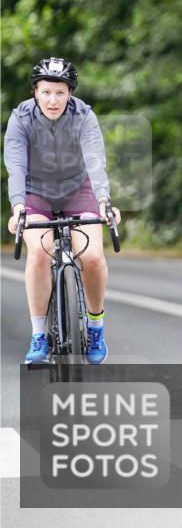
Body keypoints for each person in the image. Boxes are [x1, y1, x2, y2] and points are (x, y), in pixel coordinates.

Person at [4, 57, 121, 364]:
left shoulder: (84, 116)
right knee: (40, 253)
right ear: (35, 92)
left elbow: (95, 161)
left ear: (70, 93)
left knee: (93, 256)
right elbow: (15, 165)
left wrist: (105, 201)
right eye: (46, 92)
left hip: (77, 191)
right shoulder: (21, 118)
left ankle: (95, 327)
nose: (52, 100)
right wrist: (18, 208)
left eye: (60, 92)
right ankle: (39, 335)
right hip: (36, 193)